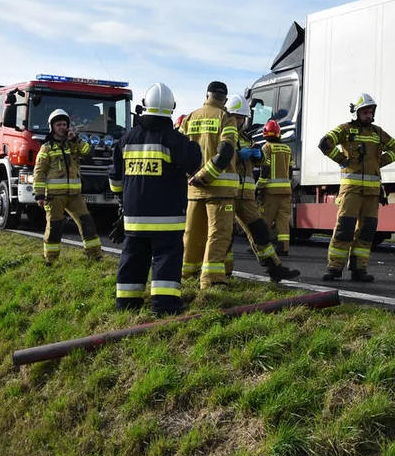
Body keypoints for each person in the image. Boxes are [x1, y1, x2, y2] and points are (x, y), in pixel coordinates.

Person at [108, 83, 203, 316]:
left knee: (133, 259)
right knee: (166, 259)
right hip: (167, 218)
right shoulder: (173, 139)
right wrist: (188, 139)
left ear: (144, 106)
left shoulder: (126, 139)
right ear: (172, 108)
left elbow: (114, 178)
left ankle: (126, 305)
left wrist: (123, 202)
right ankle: (164, 306)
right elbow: (195, 162)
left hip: (134, 217)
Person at [318, 93, 395, 282]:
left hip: (372, 193)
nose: (368, 114)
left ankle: (359, 269)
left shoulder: (378, 133)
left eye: (371, 111)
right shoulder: (346, 130)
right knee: (344, 229)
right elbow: (325, 143)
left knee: (367, 231)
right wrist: (342, 159)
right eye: (365, 111)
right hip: (351, 191)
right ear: (356, 112)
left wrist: (380, 162)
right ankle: (334, 268)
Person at [225, 97, 301, 283]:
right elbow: (218, 158)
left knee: (260, 229)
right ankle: (221, 274)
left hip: (246, 195)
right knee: (224, 234)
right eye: (236, 118)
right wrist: (237, 154)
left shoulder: (246, 138)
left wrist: (256, 156)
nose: (240, 122)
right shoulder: (223, 136)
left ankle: (275, 269)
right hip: (227, 193)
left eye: (242, 118)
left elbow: (261, 165)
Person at [179, 81, 240, 289]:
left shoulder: (189, 118)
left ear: (207, 95)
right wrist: (205, 175)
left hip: (194, 189)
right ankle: (212, 281)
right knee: (218, 234)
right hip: (220, 190)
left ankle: (188, 275)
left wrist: (193, 178)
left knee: (192, 234)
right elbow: (226, 152)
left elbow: (179, 152)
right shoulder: (226, 118)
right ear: (224, 99)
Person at [32, 108, 101, 264]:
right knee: (55, 228)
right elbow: (39, 172)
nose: (62, 127)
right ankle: (51, 260)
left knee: (87, 224)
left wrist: (76, 139)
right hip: (54, 197)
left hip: (75, 196)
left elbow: (89, 153)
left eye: (64, 124)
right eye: (59, 125)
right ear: (52, 127)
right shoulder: (47, 148)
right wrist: (40, 195)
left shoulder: (74, 144)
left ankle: (95, 256)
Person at [257, 119, 294, 255]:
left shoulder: (266, 148)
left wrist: (259, 186)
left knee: (265, 219)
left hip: (271, 192)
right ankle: (283, 248)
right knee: (283, 220)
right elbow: (290, 170)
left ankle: (261, 247)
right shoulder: (287, 149)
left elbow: (265, 169)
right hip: (286, 191)